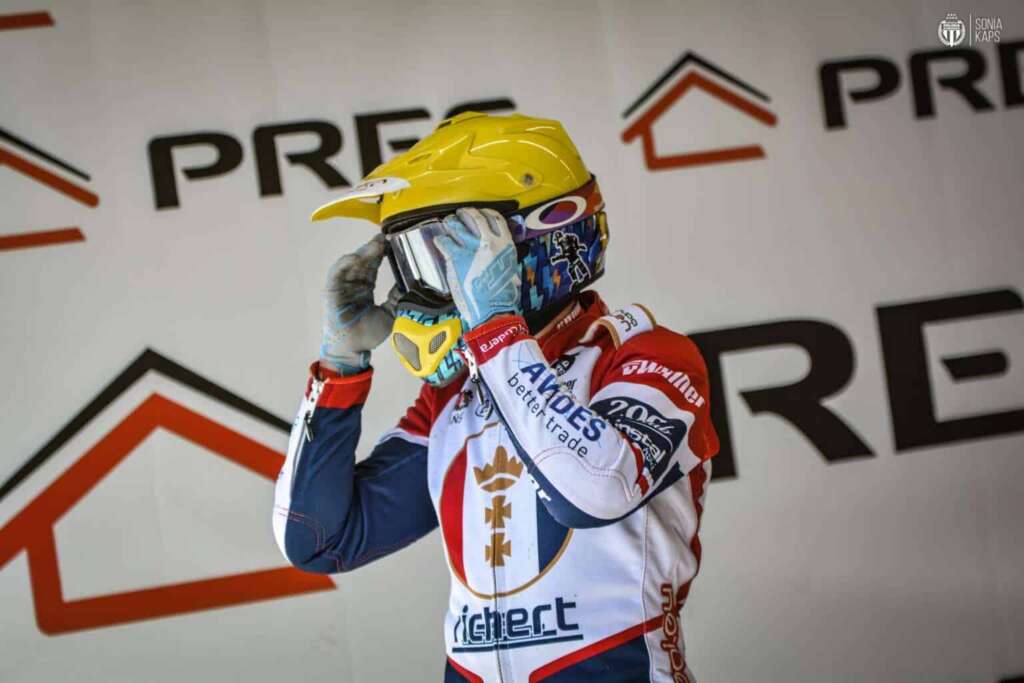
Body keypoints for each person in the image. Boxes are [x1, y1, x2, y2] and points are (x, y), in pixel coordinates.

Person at [273, 112, 719, 682]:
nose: (419, 289)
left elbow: (593, 492)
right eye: (412, 261)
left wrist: (495, 332)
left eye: (449, 253)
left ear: (540, 237)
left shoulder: (647, 355)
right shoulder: (453, 397)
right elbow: (316, 538)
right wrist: (339, 370)